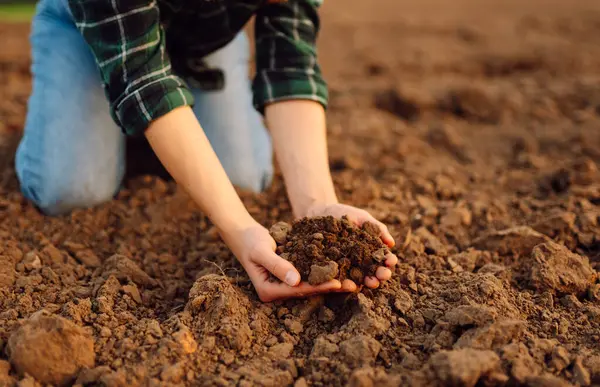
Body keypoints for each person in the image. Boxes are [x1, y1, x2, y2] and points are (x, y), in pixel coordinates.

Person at [15, 0, 398, 302]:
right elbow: (144, 79)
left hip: (205, 35)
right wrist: (238, 229)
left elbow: (290, 63)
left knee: (244, 178)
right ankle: (124, 119)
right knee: (70, 189)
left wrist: (318, 209)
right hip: (97, 28)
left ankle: (158, 129)